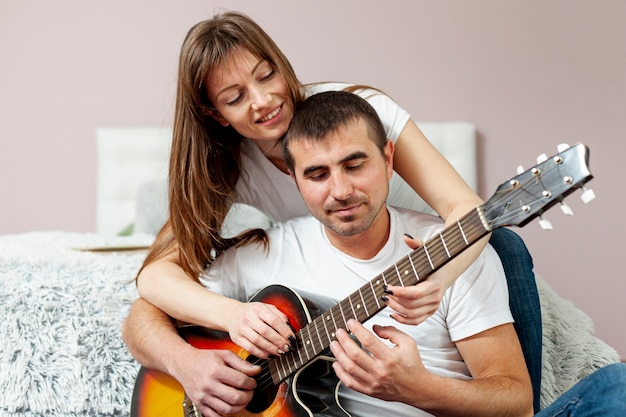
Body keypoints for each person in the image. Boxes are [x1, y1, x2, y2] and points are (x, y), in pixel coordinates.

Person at [131, 10, 541, 411]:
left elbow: (464, 207)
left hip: (424, 247)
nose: (263, 101)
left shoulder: (361, 110)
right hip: (339, 258)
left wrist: (440, 277)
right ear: (214, 114)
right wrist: (225, 324)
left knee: (502, 242)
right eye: (235, 97)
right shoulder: (230, 168)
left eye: (266, 75)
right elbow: (155, 276)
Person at [122, 91, 626, 417]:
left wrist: (416, 388)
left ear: (388, 160)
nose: (340, 190)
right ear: (294, 181)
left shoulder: (456, 254)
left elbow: (516, 402)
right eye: (317, 174)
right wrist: (188, 364)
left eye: (354, 164)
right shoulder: (268, 253)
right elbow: (143, 316)